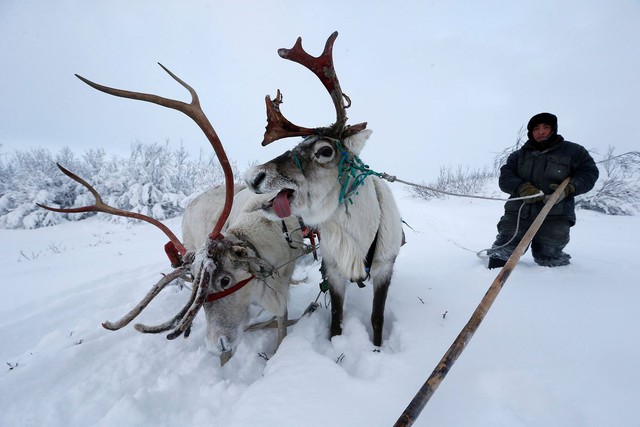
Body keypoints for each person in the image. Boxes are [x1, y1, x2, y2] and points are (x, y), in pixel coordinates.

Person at [487, 112, 599, 269]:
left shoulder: (574, 152)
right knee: (499, 258)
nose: (541, 132)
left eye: (546, 127)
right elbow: (505, 178)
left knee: (547, 259)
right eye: (536, 129)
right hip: (518, 214)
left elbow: (589, 173)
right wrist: (522, 187)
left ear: (553, 129)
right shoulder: (518, 156)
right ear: (531, 132)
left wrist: (569, 188)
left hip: (555, 215)